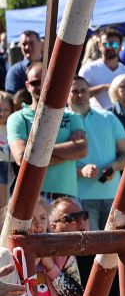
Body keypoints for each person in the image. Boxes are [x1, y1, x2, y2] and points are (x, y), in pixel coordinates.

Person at [7, 62, 87, 199]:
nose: (40, 86)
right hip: (35, 199)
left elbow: (81, 150)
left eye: (44, 81)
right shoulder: (18, 118)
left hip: (68, 198)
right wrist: (67, 153)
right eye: (35, 83)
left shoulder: (71, 116)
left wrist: (36, 151)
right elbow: (22, 158)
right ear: (28, 86)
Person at [68, 76, 125, 230]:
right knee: (92, 245)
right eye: (75, 91)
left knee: (114, 244)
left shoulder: (109, 118)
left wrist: (114, 166)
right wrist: (81, 171)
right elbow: (53, 162)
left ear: (89, 92)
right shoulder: (60, 121)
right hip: (79, 197)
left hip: (113, 196)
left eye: (83, 90)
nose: (80, 95)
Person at [79, 28, 125, 111]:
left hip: (123, 117)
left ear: (120, 47)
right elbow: (79, 94)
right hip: (97, 116)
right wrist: (104, 88)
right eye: (106, 44)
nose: (110, 47)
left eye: (114, 44)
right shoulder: (88, 69)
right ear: (100, 46)